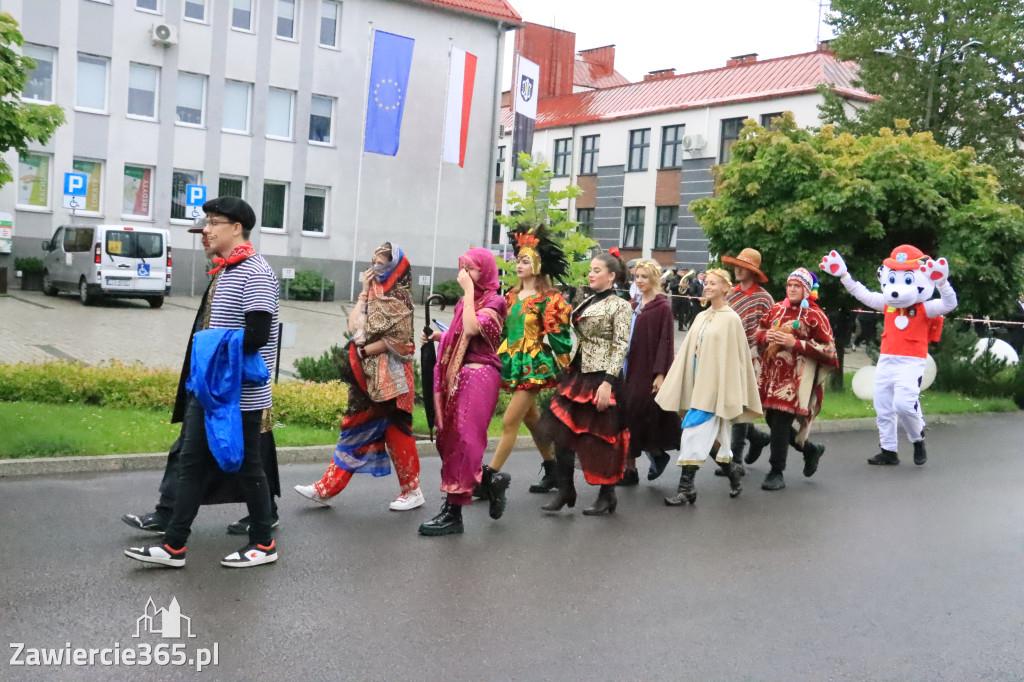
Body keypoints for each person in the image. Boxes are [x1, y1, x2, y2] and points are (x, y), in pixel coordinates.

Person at [125, 197, 280, 568]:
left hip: (240, 394)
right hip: (210, 389)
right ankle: (174, 545)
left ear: (236, 227)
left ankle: (263, 542)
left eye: (213, 222)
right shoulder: (226, 270)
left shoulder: (256, 272)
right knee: (190, 463)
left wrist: (208, 346)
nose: (205, 230)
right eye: (205, 222)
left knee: (247, 466)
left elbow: (257, 336)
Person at [293, 243, 423, 511]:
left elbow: (404, 344)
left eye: (383, 262)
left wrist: (365, 350)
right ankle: (329, 488)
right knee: (367, 428)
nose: (376, 267)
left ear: (397, 266)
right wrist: (363, 293)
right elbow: (353, 326)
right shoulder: (373, 292)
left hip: (393, 379)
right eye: (373, 261)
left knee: (391, 431)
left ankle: (410, 491)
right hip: (368, 378)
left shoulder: (401, 299)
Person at [474, 227, 572, 517]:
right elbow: (499, 328)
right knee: (532, 420)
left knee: (509, 421)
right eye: (517, 260)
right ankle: (553, 469)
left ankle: (489, 478)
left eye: (525, 261)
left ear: (538, 265)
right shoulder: (511, 296)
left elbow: (559, 336)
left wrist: (568, 368)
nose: (519, 265)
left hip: (534, 365)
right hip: (512, 361)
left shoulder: (550, 299)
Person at [419, 248, 507, 536]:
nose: (465, 274)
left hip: (480, 376)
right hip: (457, 376)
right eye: (463, 268)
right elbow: (458, 334)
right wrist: (439, 337)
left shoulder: (496, 301)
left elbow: (471, 329)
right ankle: (489, 483)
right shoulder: (464, 302)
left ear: (486, 271)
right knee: (451, 439)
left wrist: (468, 292)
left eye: (472, 269)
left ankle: (453, 512)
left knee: (467, 441)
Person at [655, 268, 762, 506]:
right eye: (708, 283)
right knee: (707, 436)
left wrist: (722, 390)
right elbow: (687, 352)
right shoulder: (701, 317)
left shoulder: (731, 319)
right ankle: (732, 471)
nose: (708, 286)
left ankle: (687, 489)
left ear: (726, 288)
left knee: (693, 433)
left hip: (714, 389)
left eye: (714, 283)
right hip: (697, 384)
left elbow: (734, 359)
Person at [540, 252, 633, 516]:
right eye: (590, 270)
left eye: (597, 270)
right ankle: (565, 489)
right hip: (579, 374)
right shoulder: (589, 300)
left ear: (612, 276)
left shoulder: (620, 305)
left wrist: (608, 383)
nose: (591, 274)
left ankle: (607, 495)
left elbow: (620, 346)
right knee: (562, 433)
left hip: (604, 377)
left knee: (602, 440)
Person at [753, 268, 838, 491]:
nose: (792, 289)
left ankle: (776, 471)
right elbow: (758, 332)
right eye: (790, 285)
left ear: (807, 290)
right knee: (773, 421)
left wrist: (796, 344)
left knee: (780, 422)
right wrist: (766, 336)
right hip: (771, 376)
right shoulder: (775, 309)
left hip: (796, 380)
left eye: (797, 286)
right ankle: (810, 450)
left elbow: (829, 351)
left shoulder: (815, 315)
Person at [619, 260, 680, 486]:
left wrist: (660, 373)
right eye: (637, 276)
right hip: (628, 365)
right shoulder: (634, 303)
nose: (640, 280)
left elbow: (666, 342)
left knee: (637, 412)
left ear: (654, 278)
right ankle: (630, 470)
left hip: (647, 367)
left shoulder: (662, 306)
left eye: (644, 276)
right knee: (626, 415)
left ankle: (656, 452)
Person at [717, 248, 774, 478]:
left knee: (740, 406)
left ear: (753, 272)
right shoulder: (730, 295)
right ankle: (757, 438)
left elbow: (770, 329)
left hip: (752, 358)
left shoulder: (764, 298)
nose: (738, 270)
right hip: (729, 355)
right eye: (736, 266)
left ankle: (736, 459)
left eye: (743, 267)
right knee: (731, 406)